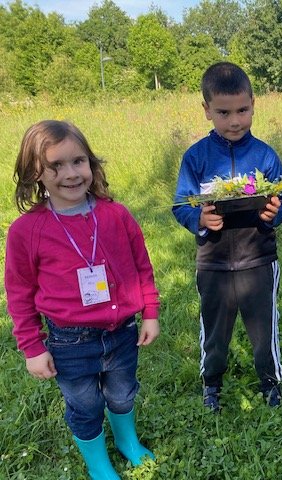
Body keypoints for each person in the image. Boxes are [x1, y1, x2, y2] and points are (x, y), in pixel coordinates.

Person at [5, 120, 160, 479]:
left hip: (122, 332)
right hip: (70, 341)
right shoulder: (26, 231)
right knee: (85, 406)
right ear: (35, 174)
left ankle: (127, 441)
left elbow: (142, 265)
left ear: (91, 162)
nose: (71, 174)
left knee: (123, 394)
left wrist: (150, 312)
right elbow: (19, 293)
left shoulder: (115, 214)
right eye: (56, 166)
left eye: (78, 161)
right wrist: (32, 347)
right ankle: (98, 463)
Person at [172, 62, 282, 412]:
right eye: (224, 113)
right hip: (213, 261)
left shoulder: (265, 155)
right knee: (215, 329)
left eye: (242, 110)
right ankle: (212, 384)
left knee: (263, 329)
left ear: (253, 104)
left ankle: (270, 383)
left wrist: (274, 213)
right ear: (207, 110)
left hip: (259, 259)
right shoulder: (196, 157)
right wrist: (199, 218)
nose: (235, 121)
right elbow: (180, 204)